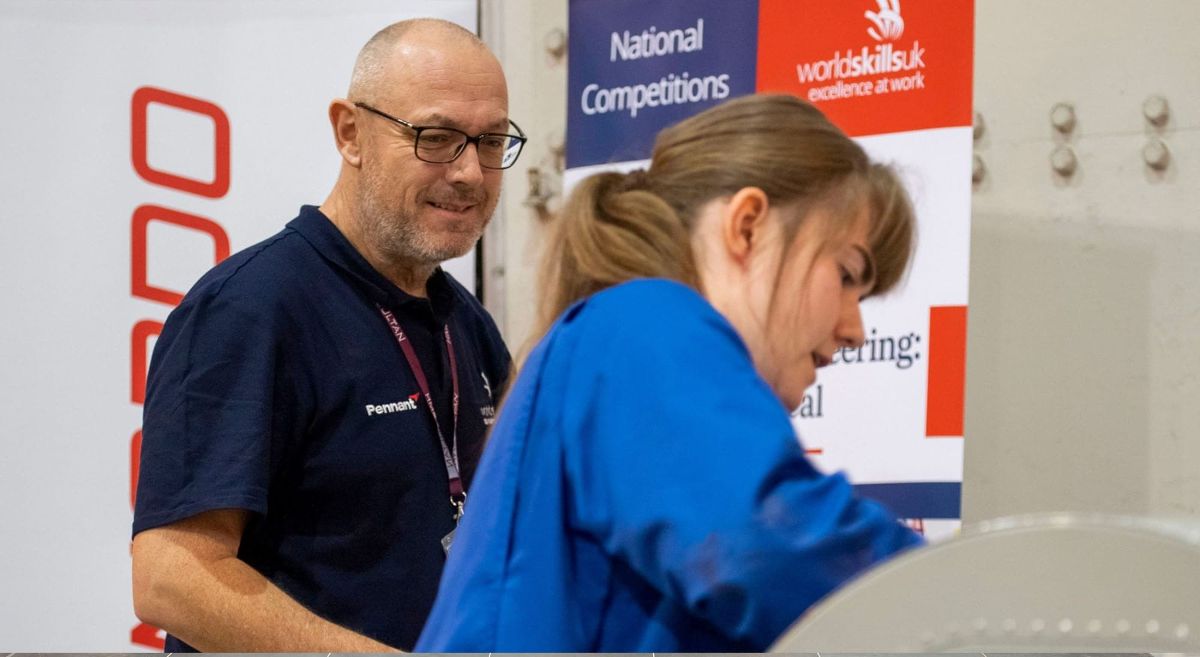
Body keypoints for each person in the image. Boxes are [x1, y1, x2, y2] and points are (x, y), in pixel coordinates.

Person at [415, 93, 924, 653]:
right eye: (847, 275)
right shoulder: (644, 324)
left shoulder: (614, 333)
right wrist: (968, 586)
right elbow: (764, 543)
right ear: (748, 226)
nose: (856, 329)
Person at [130, 18, 522, 652]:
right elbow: (172, 577)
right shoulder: (251, 310)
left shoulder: (465, 323)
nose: (471, 172)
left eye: (491, 140)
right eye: (438, 137)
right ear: (351, 133)